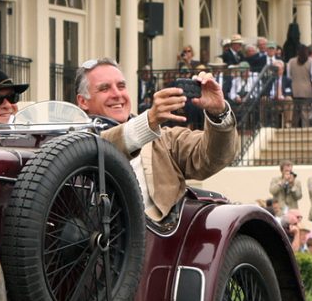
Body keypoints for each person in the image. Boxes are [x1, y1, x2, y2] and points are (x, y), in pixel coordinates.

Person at [72, 57, 237, 227]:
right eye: (104, 88)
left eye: (121, 86)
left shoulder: (164, 139)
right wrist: (149, 121)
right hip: (98, 243)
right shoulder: (70, 146)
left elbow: (213, 158)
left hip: (161, 239)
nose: (117, 94)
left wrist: (219, 113)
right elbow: (99, 147)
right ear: (83, 101)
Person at [289, 44, 312, 126]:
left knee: (295, 114)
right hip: (307, 91)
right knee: (305, 114)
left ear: (297, 52)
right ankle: (306, 130)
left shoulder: (291, 61)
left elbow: (289, 76)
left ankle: (293, 132)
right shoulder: (310, 61)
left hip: (295, 90)